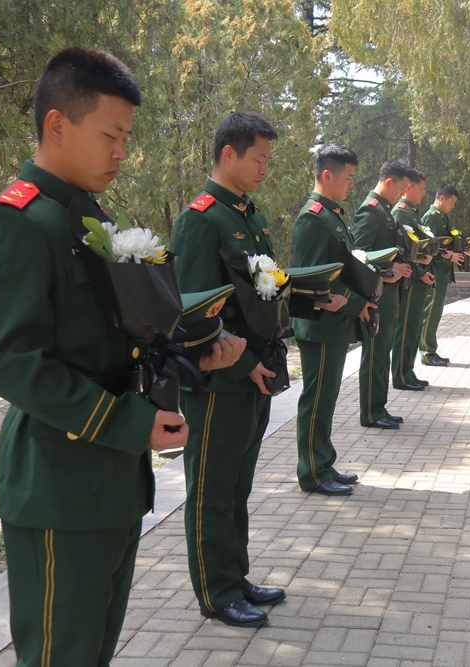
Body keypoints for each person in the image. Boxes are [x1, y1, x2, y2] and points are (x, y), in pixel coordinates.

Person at [0, 47, 242, 666]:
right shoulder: (15, 223)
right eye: (111, 136)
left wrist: (194, 358)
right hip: (60, 484)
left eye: (127, 138)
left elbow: (116, 341)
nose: (122, 153)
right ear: (57, 124)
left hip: (112, 481)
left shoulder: (85, 216)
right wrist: (129, 422)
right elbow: (10, 362)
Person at [170, 111, 334, 627]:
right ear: (229, 154)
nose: (265, 168)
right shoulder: (201, 220)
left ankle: (235, 576)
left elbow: (264, 289)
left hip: (255, 373)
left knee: (237, 487)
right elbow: (197, 314)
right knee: (211, 490)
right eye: (259, 159)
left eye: (268, 159)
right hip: (220, 382)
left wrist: (307, 298)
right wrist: (243, 365)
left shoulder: (248, 215)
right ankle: (216, 592)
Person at [292, 144, 375, 496]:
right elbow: (316, 279)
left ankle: (324, 463)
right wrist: (356, 303)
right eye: (349, 177)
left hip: (335, 323)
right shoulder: (313, 218)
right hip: (320, 325)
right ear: (327, 175)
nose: (352, 184)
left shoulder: (332, 215)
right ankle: (312, 472)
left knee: (327, 399)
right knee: (317, 400)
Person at [351, 159, 415, 428]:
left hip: (388, 295)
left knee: (382, 354)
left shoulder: (384, 211)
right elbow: (358, 255)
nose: (402, 194)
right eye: (401, 188)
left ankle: (379, 407)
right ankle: (371, 412)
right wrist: (390, 269)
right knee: (375, 355)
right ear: (388, 182)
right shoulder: (371, 211)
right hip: (377, 295)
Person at [391, 169, 436, 391]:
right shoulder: (401, 212)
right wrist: (420, 272)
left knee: (414, 328)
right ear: (408, 188)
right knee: (405, 328)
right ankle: (401, 375)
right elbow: (402, 252)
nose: (424, 194)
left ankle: (408, 371)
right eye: (422, 189)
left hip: (418, 278)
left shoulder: (412, 213)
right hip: (409, 279)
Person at [420, 184, 465, 366]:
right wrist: (449, 255)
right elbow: (429, 246)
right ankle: (427, 352)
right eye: (451, 202)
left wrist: (462, 249)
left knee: (435, 313)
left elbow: (445, 242)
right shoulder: (432, 217)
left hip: (441, 272)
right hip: (434, 272)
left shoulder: (441, 216)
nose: (453, 206)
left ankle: (431, 349)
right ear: (441, 198)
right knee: (430, 313)